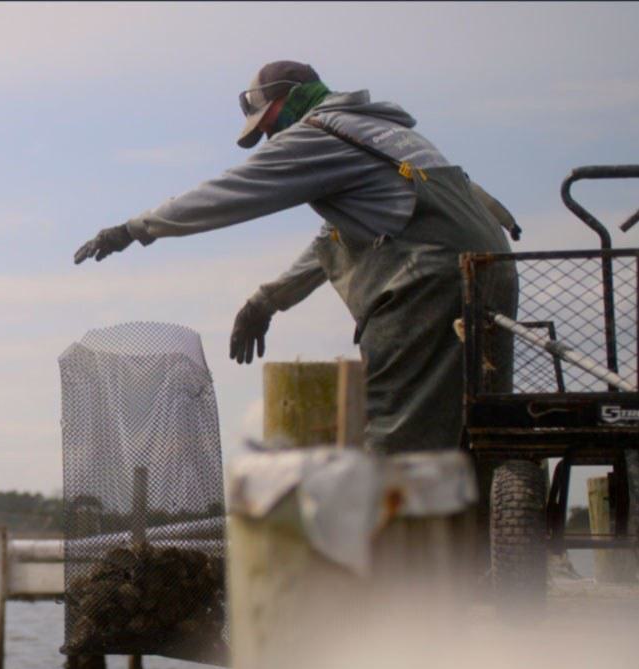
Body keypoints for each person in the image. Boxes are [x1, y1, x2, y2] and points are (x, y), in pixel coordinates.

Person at [73, 60, 518, 454]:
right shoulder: (386, 134)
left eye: (268, 124)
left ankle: (391, 549)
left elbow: (231, 193)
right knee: (473, 435)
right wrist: (267, 300)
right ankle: (490, 544)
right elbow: (334, 241)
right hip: (490, 273)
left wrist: (134, 230)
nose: (270, 137)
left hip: (428, 282)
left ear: (290, 98)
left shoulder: (319, 134)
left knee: (396, 440)